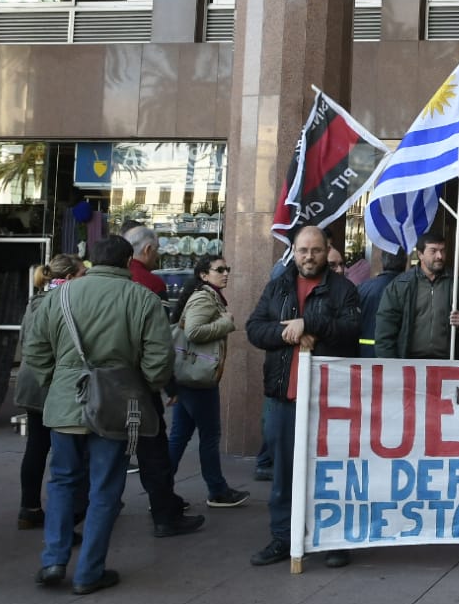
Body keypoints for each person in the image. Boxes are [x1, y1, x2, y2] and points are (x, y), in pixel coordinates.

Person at [22, 236, 173, 595]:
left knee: (62, 481)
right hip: (121, 405)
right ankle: (90, 571)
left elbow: (35, 350)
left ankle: (54, 559)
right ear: (127, 262)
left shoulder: (58, 296)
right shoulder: (143, 299)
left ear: (90, 260)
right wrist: (141, 384)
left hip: (64, 404)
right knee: (106, 486)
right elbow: (160, 359)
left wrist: (57, 382)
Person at [246, 224, 363, 568]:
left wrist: (308, 323)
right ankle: (283, 537)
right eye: (302, 251)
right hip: (285, 396)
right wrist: (289, 332)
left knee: (330, 472)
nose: (308, 257)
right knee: (283, 474)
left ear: (327, 250)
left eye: (315, 250)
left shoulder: (344, 289)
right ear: (293, 252)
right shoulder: (278, 286)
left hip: (329, 399)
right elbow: (254, 329)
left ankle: (333, 539)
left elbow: (352, 328)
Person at [121, 226, 205, 539]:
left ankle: (94, 506)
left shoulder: (83, 287)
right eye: (156, 251)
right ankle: (164, 514)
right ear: (145, 251)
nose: (157, 257)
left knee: (109, 450)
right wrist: (167, 384)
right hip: (140, 386)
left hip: (99, 386)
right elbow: (157, 342)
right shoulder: (150, 284)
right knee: (152, 448)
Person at [168, 254, 249, 509]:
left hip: (189, 379)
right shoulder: (204, 297)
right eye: (219, 270)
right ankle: (217, 490)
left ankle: (161, 492)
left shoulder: (207, 295)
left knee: (180, 436)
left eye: (227, 268)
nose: (225, 273)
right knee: (209, 435)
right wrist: (225, 324)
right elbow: (193, 331)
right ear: (204, 275)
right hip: (199, 380)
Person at [17, 254, 85, 530]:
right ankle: (70, 513)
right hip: (53, 383)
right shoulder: (66, 304)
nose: (86, 280)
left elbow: (25, 341)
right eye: (82, 275)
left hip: (31, 383)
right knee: (66, 451)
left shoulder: (35, 302)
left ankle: (29, 507)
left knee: (36, 445)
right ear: (68, 279)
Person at [374, 232, 459, 360]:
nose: (439, 256)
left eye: (442, 251)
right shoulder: (401, 285)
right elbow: (385, 327)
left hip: (447, 363)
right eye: (433, 251)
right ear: (420, 254)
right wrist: (389, 363)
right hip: (410, 363)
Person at [356, 249, 409, 358]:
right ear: (405, 262)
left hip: (364, 353)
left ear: (382, 261)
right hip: (395, 354)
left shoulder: (363, 287)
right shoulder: (408, 289)